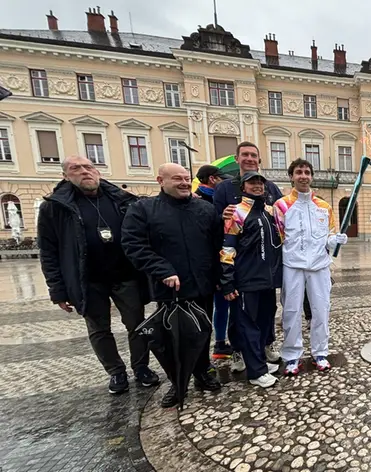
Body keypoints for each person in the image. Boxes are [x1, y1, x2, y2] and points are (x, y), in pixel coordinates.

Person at [37, 156, 159, 395]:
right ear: (65, 176)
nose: (85, 171)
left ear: (98, 171)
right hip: (87, 280)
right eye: (76, 168)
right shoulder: (54, 207)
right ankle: (116, 371)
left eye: (89, 167)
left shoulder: (121, 199)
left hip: (125, 275)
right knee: (99, 329)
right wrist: (57, 290)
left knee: (138, 324)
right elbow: (48, 252)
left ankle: (141, 367)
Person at [122, 163, 222, 407]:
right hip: (170, 289)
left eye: (186, 178)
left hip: (202, 284)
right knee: (173, 339)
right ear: (161, 181)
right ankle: (178, 382)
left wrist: (221, 278)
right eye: (177, 178)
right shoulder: (143, 209)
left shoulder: (205, 209)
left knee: (202, 331)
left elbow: (218, 245)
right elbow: (134, 245)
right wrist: (162, 269)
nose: (184, 183)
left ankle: (202, 371)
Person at [213, 142, 283, 369]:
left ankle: (265, 345)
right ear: (237, 158)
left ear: (259, 160)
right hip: (242, 265)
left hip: (266, 266)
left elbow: (281, 218)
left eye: (254, 155)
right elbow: (214, 222)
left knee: (267, 310)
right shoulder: (225, 188)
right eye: (245, 154)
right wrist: (222, 217)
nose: (250, 158)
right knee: (240, 314)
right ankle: (238, 351)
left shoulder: (270, 187)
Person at [274, 158, 347, 375]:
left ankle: (320, 353)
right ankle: (292, 356)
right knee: (291, 311)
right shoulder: (281, 205)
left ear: (311, 176)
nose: (303, 176)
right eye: (299, 172)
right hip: (292, 265)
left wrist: (335, 241)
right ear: (291, 176)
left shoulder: (324, 206)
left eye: (307, 172)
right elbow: (278, 237)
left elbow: (329, 235)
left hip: (319, 266)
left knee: (321, 310)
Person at [194, 164, 235, 360]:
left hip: (214, 261)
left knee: (221, 305)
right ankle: (214, 345)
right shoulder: (201, 201)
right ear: (212, 179)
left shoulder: (204, 198)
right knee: (215, 306)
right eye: (221, 179)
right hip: (211, 262)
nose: (223, 183)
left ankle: (219, 343)